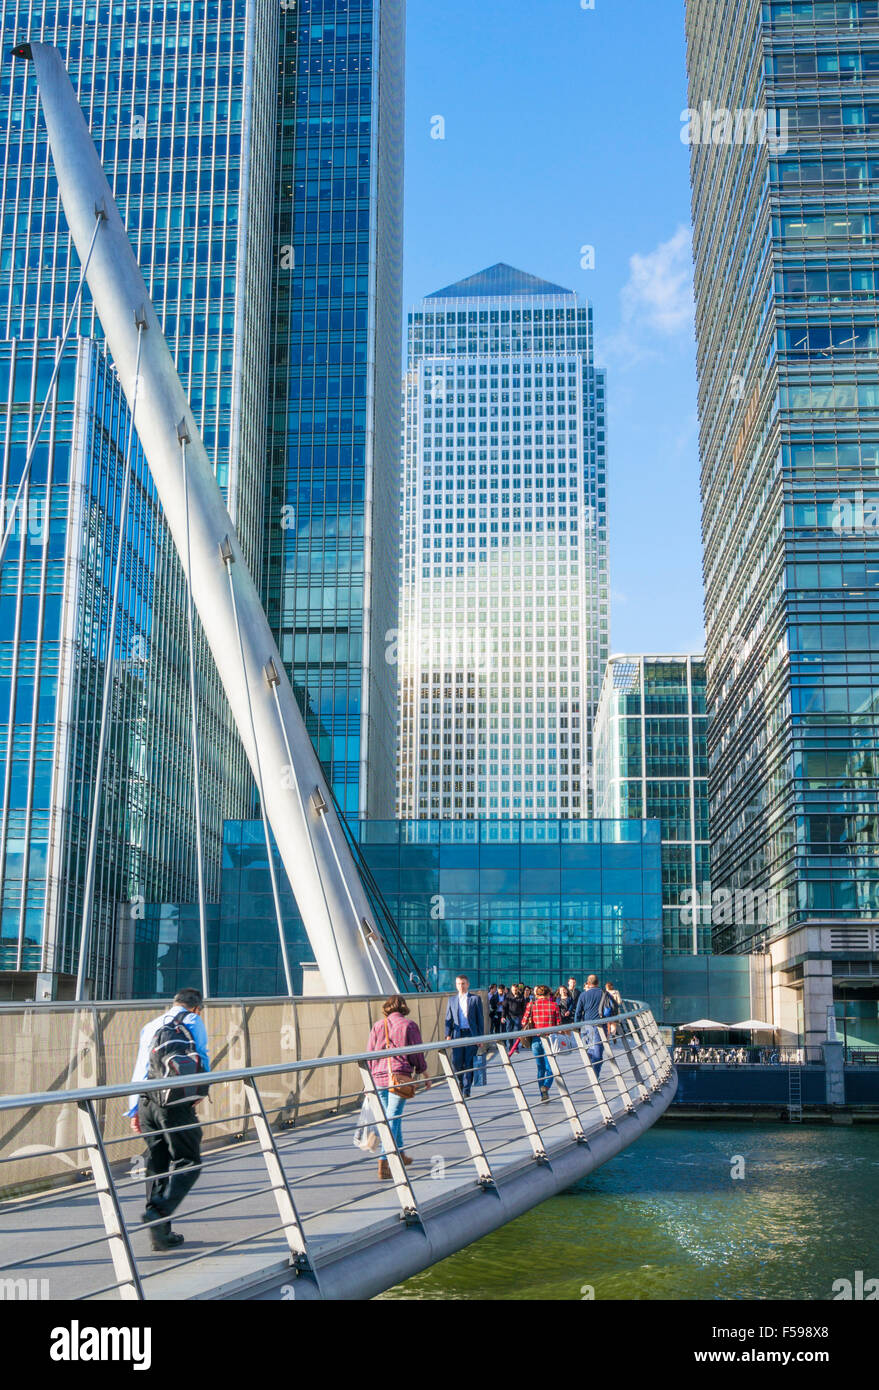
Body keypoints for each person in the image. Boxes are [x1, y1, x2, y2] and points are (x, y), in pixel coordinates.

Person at [127, 987, 210, 1252]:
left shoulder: (151, 1024)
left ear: (174, 1003)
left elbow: (140, 1066)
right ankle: (160, 1212)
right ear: (196, 1007)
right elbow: (202, 1056)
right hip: (173, 1103)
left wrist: (134, 1109)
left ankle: (161, 1235)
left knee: (157, 1163)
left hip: (146, 1100)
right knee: (189, 1161)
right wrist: (200, 1091)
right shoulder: (193, 1021)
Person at [366, 994, 430, 1180]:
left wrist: (369, 1078)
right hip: (399, 1077)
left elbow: (370, 1053)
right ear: (403, 1007)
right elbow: (416, 1053)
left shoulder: (378, 1025)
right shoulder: (409, 1025)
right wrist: (423, 1072)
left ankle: (400, 1153)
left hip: (378, 1077)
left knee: (392, 1116)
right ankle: (384, 1161)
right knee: (392, 1118)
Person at [444, 975, 484, 1099]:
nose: (460, 986)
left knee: (469, 1062)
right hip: (457, 1034)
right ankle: (460, 1081)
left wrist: (480, 1038)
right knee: (456, 1062)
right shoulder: (451, 1000)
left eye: (463, 983)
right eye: (458, 984)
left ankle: (467, 1089)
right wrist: (448, 1034)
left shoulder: (475, 999)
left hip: (471, 1034)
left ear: (468, 984)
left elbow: (480, 1019)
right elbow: (448, 1018)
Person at [521, 986, 561, 1101]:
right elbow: (558, 1023)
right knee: (551, 1067)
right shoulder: (554, 1005)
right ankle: (546, 1086)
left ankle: (542, 1094)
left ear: (537, 995)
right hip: (549, 1039)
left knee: (540, 1068)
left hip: (536, 1039)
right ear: (548, 994)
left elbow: (523, 1022)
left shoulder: (531, 1005)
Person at [574, 974, 606, 1077]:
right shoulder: (604, 994)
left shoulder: (583, 995)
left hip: (585, 1026)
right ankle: (595, 1075)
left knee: (589, 1050)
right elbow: (612, 1010)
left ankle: (593, 1071)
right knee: (598, 1052)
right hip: (599, 1026)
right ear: (598, 983)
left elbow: (578, 1012)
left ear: (588, 983)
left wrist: (577, 1027)